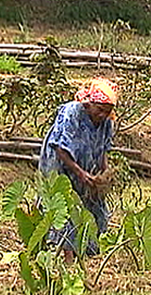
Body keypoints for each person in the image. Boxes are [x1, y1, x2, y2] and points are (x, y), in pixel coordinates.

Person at [39, 77, 118, 263]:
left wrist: (104, 173)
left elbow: (103, 149)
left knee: (92, 206)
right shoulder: (72, 112)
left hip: (86, 168)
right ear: (90, 104)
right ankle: (66, 256)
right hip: (59, 165)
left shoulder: (107, 121)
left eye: (106, 112)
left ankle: (87, 251)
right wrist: (80, 173)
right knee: (63, 204)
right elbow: (60, 147)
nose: (102, 115)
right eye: (99, 110)